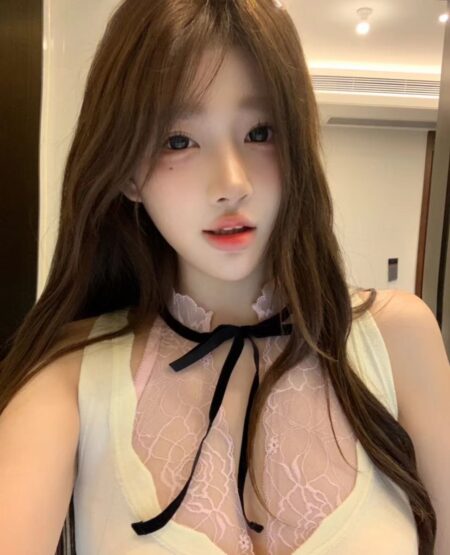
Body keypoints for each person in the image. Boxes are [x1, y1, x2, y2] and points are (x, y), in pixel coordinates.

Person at [0, 0, 448, 554]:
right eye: (178, 140)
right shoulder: (70, 377)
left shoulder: (399, 340)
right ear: (128, 173)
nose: (232, 183)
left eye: (260, 132)